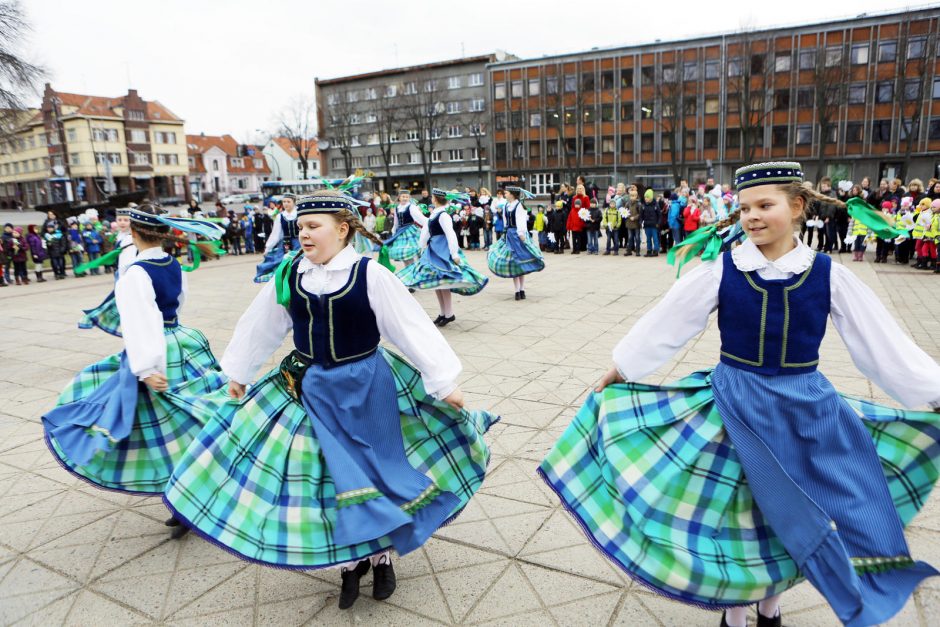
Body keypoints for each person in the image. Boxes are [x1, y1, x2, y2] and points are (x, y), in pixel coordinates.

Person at [540, 161, 940, 627]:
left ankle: (770, 608)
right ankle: (734, 613)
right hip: (733, 404)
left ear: (797, 207)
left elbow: (880, 344)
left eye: (765, 205)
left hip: (804, 409)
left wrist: (931, 392)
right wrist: (623, 366)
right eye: (744, 207)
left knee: (794, 507)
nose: (752, 216)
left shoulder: (829, 274)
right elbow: (670, 322)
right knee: (738, 513)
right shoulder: (722, 270)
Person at [163, 189, 497, 610]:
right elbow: (261, 324)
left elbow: (409, 327)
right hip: (312, 389)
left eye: (313, 226)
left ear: (342, 229)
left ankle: (381, 558)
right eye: (300, 227)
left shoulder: (369, 274)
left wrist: (443, 380)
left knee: (376, 469)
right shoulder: (290, 273)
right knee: (334, 476)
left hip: (368, 386)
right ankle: (350, 563)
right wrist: (239, 372)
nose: (303, 234)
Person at [42, 204, 227, 539]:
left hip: (156, 352)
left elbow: (140, 322)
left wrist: (145, 367)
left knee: (162, 428)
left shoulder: (136, 273)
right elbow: (177, 304)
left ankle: (187, 497)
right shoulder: (173, 263)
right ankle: (189, 495)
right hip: (183, 341)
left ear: (134, 233)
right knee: (184, 422)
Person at [397, 189, 488, 326]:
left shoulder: (443, 215)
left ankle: (449, 313)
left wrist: (454, 254)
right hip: (433, 248)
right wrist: (422, 246)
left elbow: (450, 234)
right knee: (437, 283)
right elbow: (426, 231)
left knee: (443, 282)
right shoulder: (435, 213)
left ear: (435, 199)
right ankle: (443, 313)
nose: (432, 199)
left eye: (433, 197)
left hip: (442, 250)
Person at [487, 186, 546, 300]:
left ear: (512, 194)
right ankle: (517, 291)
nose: (505, 194)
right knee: (514, 263)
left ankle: (522, 289)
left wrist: (521, 235)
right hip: (509, 235)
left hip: (519, 235)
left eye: (506, 193)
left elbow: (521, 221)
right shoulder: (506, 206)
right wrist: (504, 233)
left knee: (521, 261)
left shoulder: (519, 206)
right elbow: (505, 221)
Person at [384, 190, 427, 268]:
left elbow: (420, 218)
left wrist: (428, 224)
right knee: (404, 253)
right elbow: (396, 221)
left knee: (414, 250)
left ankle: (417, 267)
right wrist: (394, 230)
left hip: (410, 230)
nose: (405, 198)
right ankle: (408, 268)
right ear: (399, 198)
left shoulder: (411, 207)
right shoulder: (397, 208)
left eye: (407, 197)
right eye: (403, 196)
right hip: (400, 232)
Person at [567, 185, 591, 254]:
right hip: (575, 216)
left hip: (583, 216)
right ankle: (576, 247)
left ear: (583, 189)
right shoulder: (574, 197)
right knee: (575, 235)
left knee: (583, 233)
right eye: (578, 189)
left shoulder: (586, 197)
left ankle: (583, 246)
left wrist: (583, 213)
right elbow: (572, 207)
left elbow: (588, 207)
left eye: (581, 189)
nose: (579, 190)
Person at [640, 189, 660, 256]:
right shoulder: (643, 206)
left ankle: (656, 250)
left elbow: (659, 215)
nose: (646, 198)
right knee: (648, 239)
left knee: (655, 238)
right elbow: (641, 215)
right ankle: (649, 250)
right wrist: (641, 222)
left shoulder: (655, 206)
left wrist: (658, 223)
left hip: (654, 225)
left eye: (647, 197)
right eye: (645, 197)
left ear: (651, 197)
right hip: (647, 225)